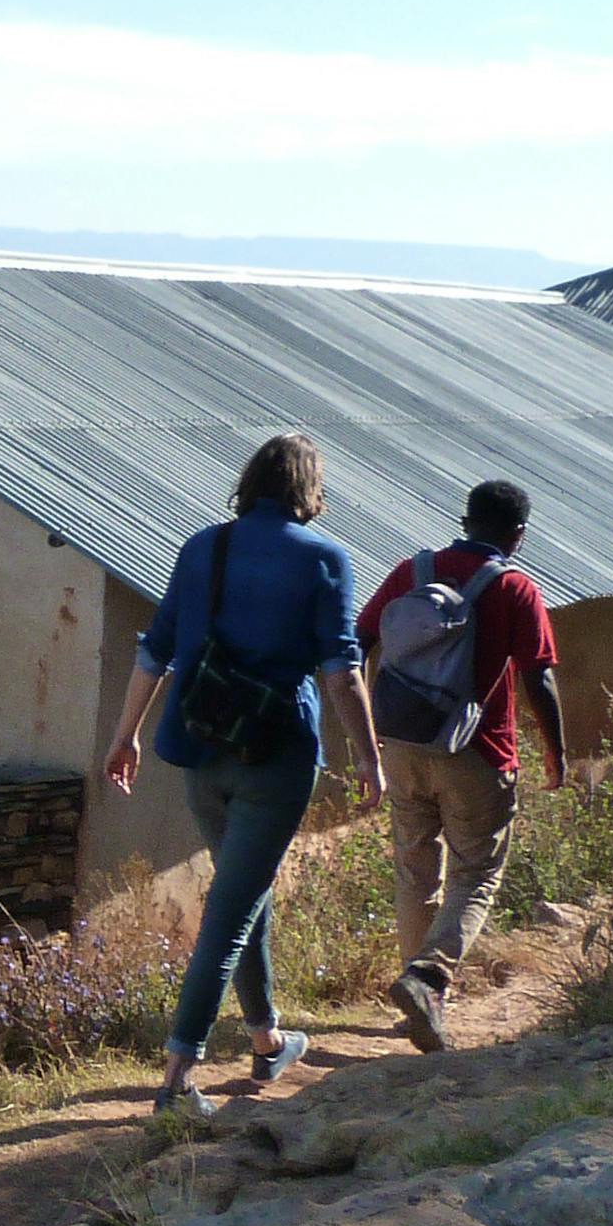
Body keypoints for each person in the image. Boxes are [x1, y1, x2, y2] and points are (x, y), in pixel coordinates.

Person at [104, 432, 386, 1113]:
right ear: (309, 489)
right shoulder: (325, 558)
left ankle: (265, 1039)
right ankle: (176, 1082)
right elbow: (342, 672)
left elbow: (156, 649)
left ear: (251, 480)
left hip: (200, 745)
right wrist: (372, 756)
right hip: (275, 754)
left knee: (243, 889)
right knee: (230, 913)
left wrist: (126, 736)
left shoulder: (206, 545)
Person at [356, 477, 570, 1056]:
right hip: (477, 749)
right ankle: (427, 979)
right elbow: (538, 678)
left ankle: (419, 993)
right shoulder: (515, 589)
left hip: (402, 743)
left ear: (466, 519)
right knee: (477, 871)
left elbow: (359, 637)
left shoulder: (412, 572)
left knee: (414, 865)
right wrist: (557, 748)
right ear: (518, 536)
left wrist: (363, 719)